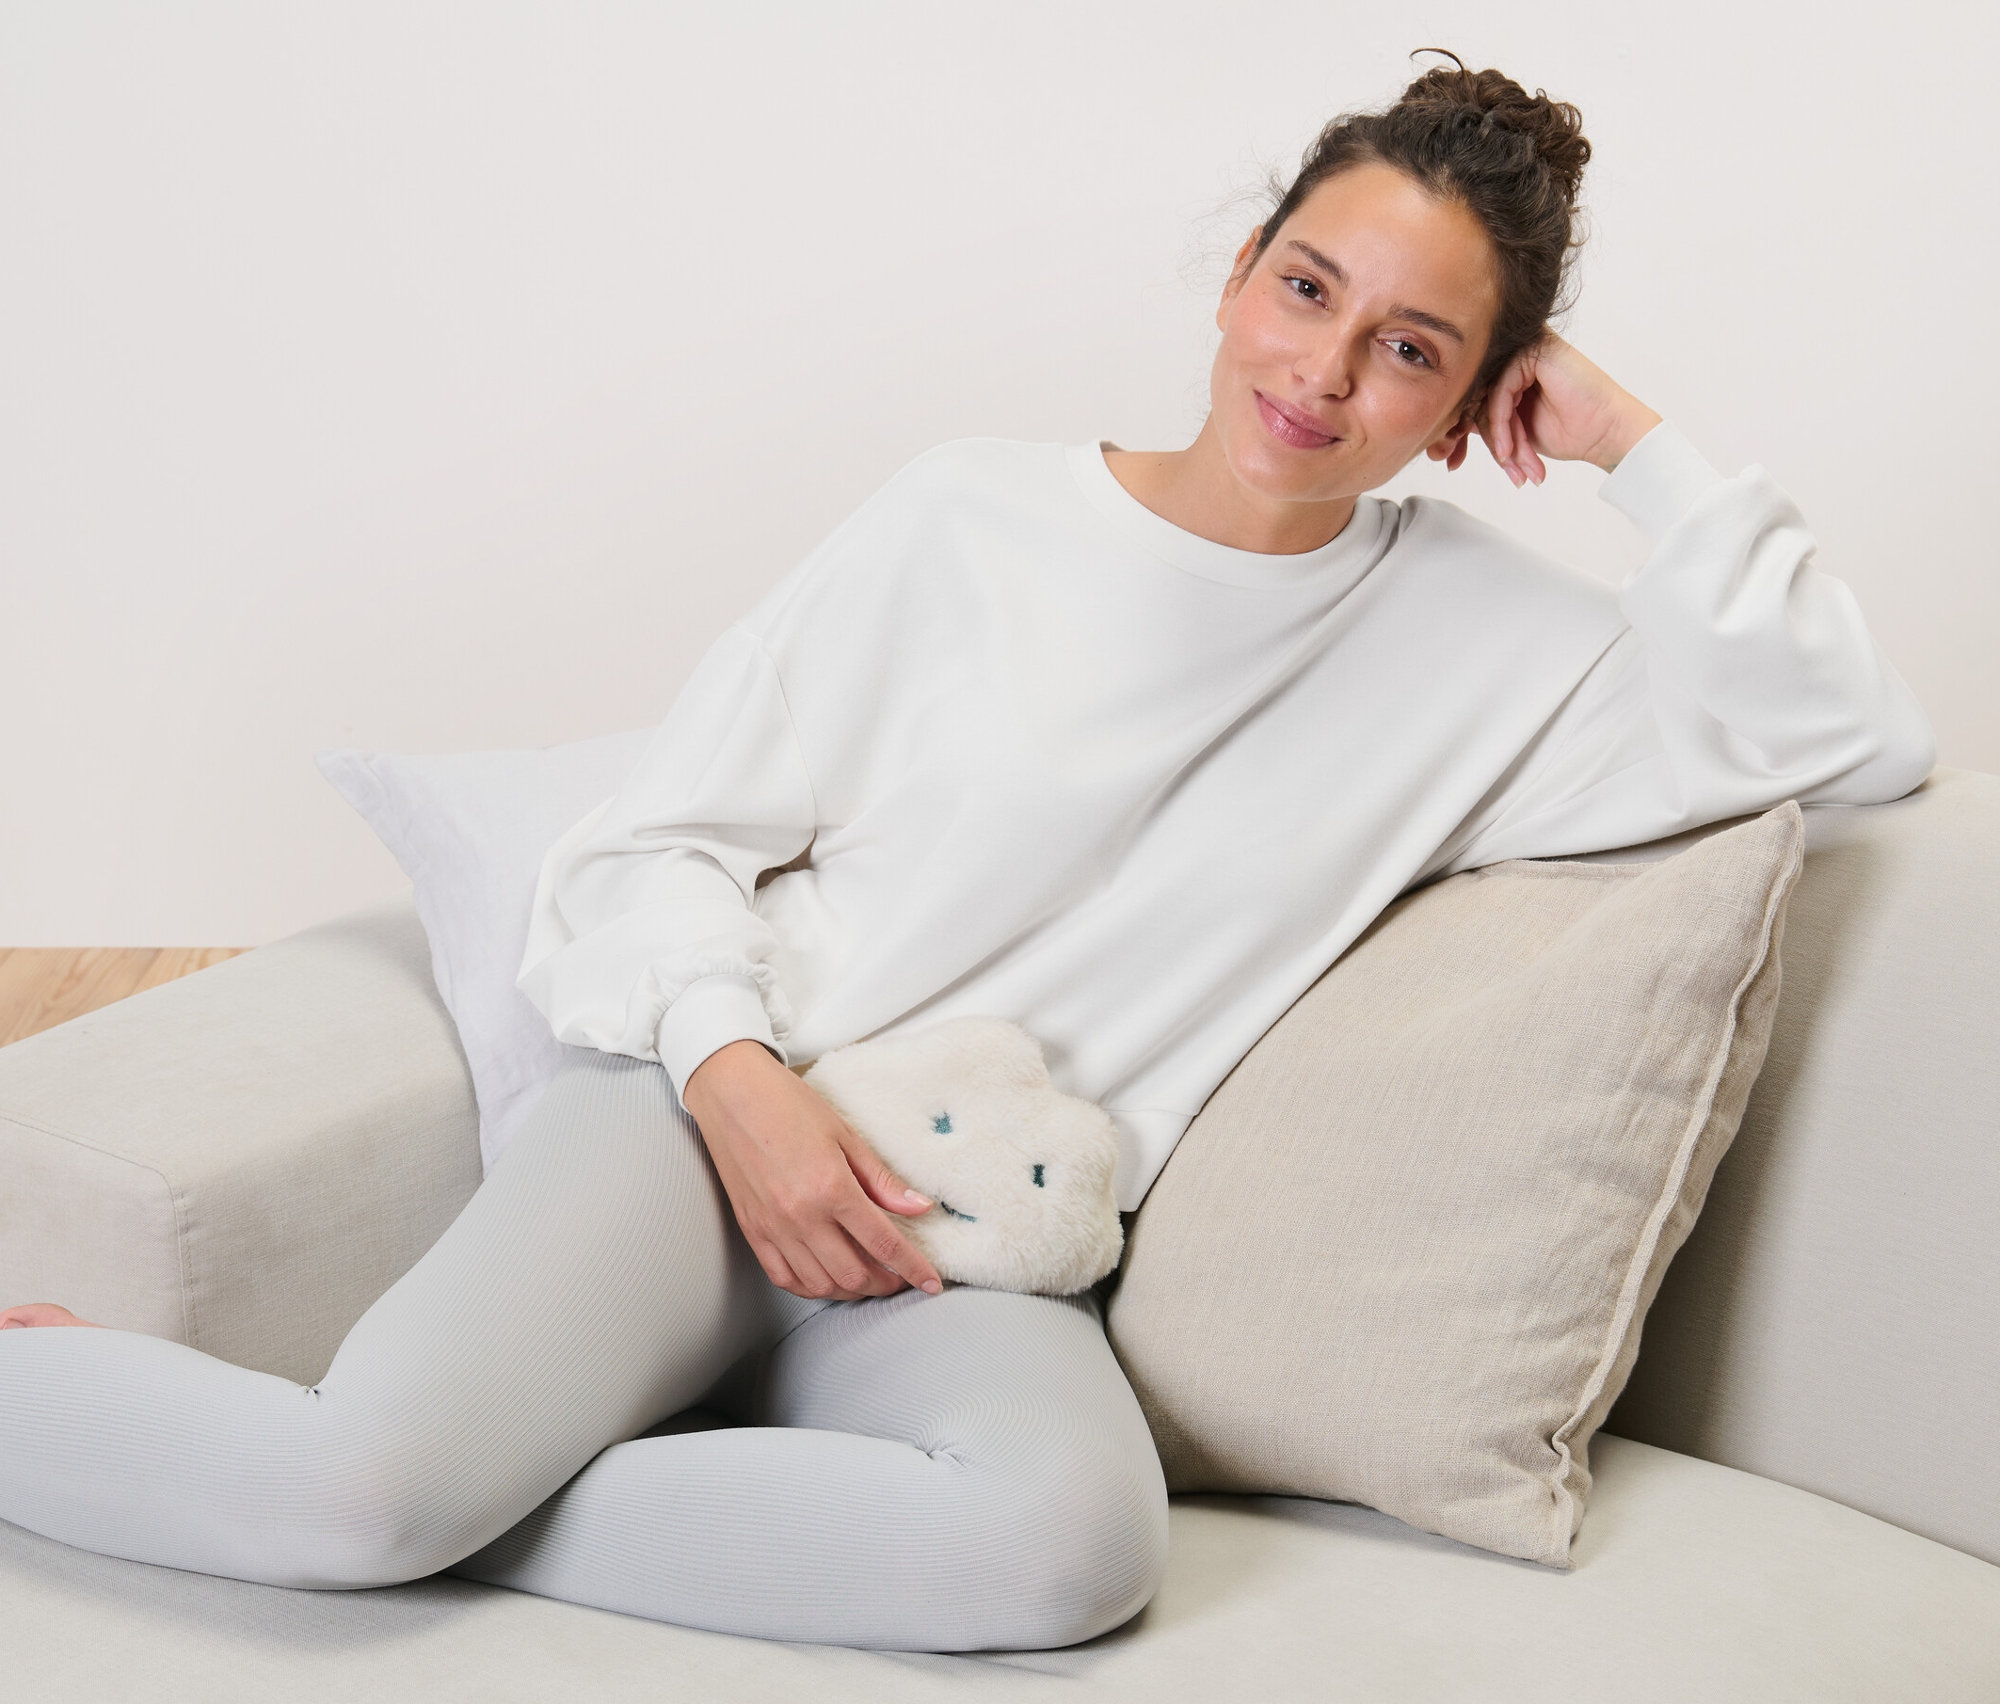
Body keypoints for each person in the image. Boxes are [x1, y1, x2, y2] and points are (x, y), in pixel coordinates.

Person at [0, 55, 1933, 1653]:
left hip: (972, 1255)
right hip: (707, 1132)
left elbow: (1855, 738)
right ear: (1240, 273)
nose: (1328, 370)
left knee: (1063, 1554)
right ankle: (342, 1463)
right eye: (1311, 288)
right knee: (358, 1491)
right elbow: (656, 839)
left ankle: (472, 1494)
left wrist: (1632, 444)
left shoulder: (1494, 656)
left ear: (1464, 412)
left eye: (1417, 349)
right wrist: (734, 1083)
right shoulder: (967, 527)